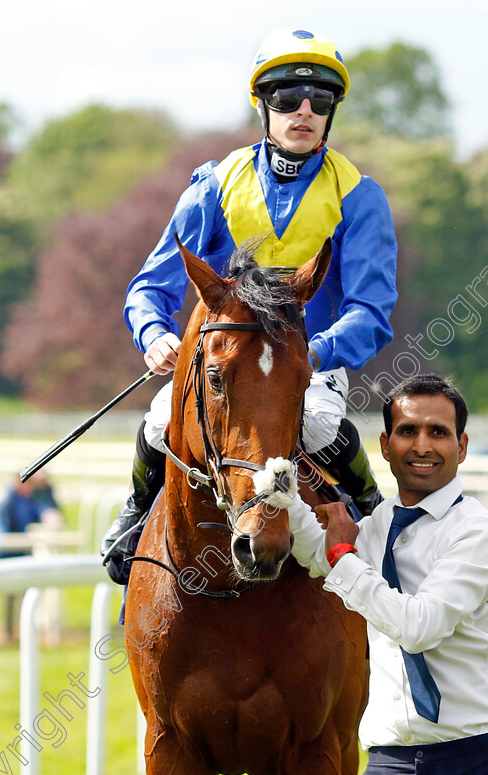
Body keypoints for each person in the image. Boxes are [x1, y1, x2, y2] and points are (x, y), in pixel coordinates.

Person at [101, 28, 398, 576]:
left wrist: (309, 354)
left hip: (311, 366)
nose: (303, 111)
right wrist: (155, 335)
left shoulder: (359, 196)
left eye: (320, 101)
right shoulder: (212, 186)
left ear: (332, 112)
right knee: (158, 419)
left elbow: (371, 313)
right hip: (222, 366)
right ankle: (135, 516)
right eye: (287, 99)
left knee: (319, 429)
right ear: (263, 106)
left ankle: (375, 519)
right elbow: (150, 288)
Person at [288, 373, 488, 775]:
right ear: (384, 443)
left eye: (437, 432)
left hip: (472, 769)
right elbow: (318, 555)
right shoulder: (378, 524)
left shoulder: (477, 532)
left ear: (461, 445)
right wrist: (282, 495)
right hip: (386, 773)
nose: (422, 445)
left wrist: (341, 555)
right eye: (408, 431)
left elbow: (418, 626)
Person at [0, 473, 62, 638]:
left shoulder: (30, 498)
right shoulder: (8, 501)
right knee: (10, 596)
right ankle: (9, 630)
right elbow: (7, 531)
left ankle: (22, 629)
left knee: (25, 595)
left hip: (24, 553)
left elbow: (42, 509)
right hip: (8, 554)